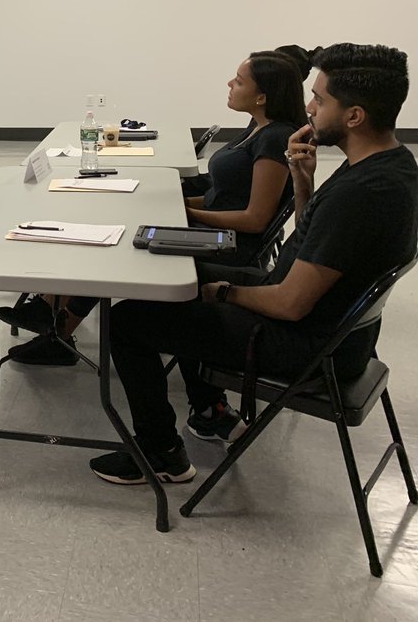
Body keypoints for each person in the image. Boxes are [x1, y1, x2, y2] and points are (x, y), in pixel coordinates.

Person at [89, 43, 416, 485]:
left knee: (129, 320)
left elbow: (291, 303)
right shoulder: (392, 166)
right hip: (335, 333)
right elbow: (315, 243)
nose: (309, 107)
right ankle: (209, 412)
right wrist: (303, 183)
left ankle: (160, 452)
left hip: (304, 344)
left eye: (319, 100)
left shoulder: (360, 193)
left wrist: (224, 293)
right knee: (177, 276)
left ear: (354, 116)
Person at [6, 50, 309, 366]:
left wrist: (185, 213)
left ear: (262, 96)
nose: (230, 83)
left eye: (239, 80)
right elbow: (224, 195)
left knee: (117, 243)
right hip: (214, 228)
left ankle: (57, 326)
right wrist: (165, 200)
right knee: (121, 219)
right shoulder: (258, 127)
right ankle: (53, 315)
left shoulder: (275, 139)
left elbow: (255, 219)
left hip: (228, 243)